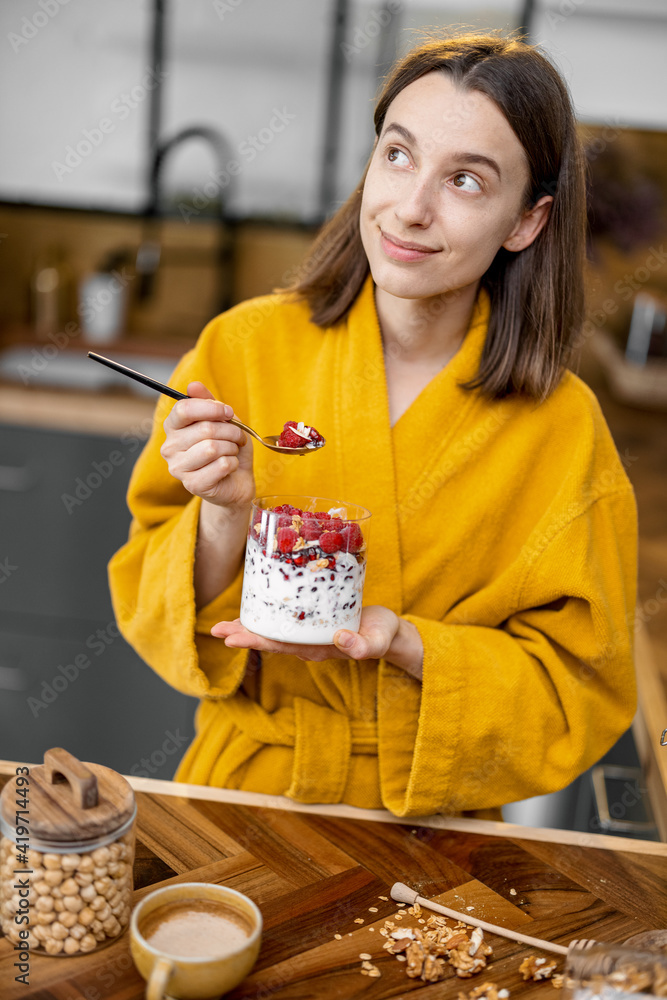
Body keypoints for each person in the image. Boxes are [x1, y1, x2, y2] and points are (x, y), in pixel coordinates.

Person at [109, 32, 637, 820]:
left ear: (526, 222)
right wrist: (224, 512)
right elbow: (147, 603)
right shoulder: (243, 348)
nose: (410, 208)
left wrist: (402, 642)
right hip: (238, 796)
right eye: (397, 155)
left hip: (436, 828)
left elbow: (581, 690)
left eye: (464, 180)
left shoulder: (560, 426)